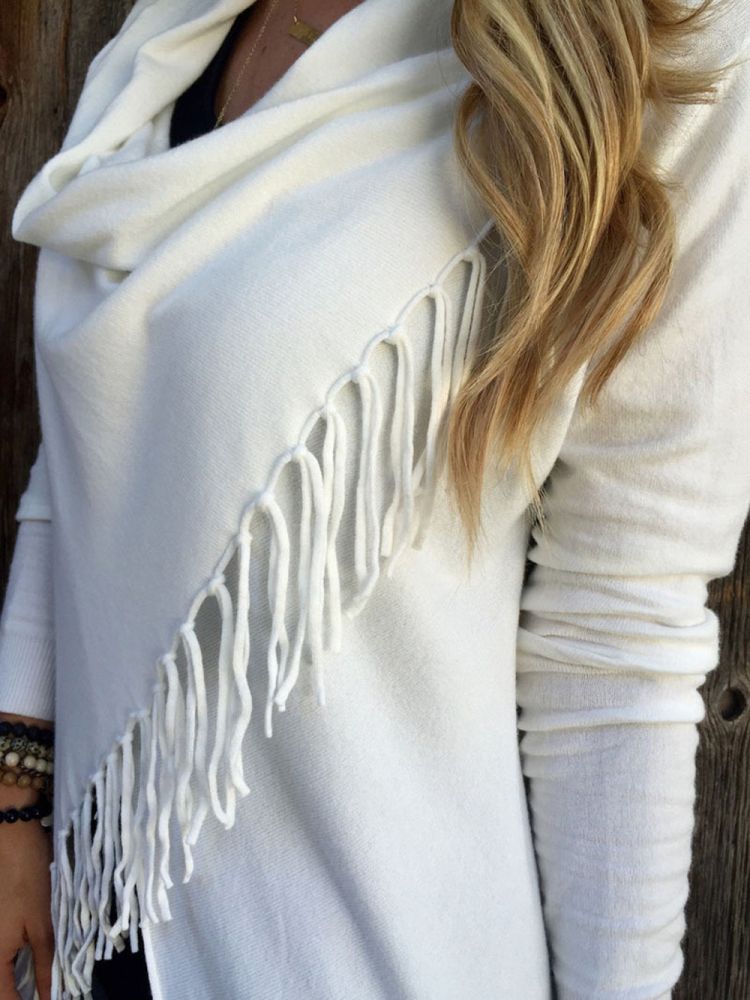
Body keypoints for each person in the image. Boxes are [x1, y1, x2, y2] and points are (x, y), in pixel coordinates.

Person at [1, 0, 749, 998]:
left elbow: (618, 628)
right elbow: (103, 425)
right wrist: (16, 781)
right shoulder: (179, 23)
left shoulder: (674, 36)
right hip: (103, 923)